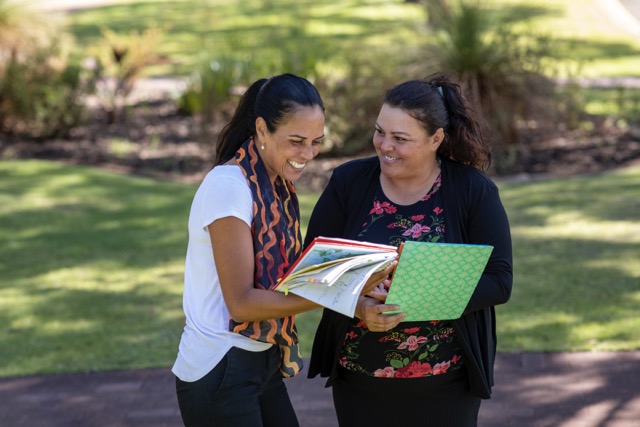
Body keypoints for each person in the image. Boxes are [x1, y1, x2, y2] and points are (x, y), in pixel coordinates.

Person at [171, 73, 395, 427]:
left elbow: (292, 281)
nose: (307, 154)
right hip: (220, 365)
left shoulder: (276, 187)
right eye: (296, 141)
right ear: (261, 130)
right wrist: (341, 291)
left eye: (316, 142)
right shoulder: (229, 187)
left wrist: (358, 288)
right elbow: (243, 303)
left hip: (262, 360)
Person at [305, 73, 513, 426]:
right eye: (380, 131)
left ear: (435, 139)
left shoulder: (473, 191)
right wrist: (358, 305)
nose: (385, 145)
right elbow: (311, 271)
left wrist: (418, 293)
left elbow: (499, 281)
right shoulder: (348, 182)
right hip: (359, 382)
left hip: (447, 383)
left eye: (400, 138)